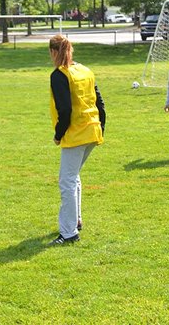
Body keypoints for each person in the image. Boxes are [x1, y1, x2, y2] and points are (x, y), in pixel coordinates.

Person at [48, 34, 106, 245]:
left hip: (76, 134)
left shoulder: (59, 75)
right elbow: (100, 102)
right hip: (92, 130)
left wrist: (58, 134)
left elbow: (65, 110)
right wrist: (101, 128)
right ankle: (76, 220)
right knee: (73, 177)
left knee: (67, 181)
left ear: (53, 52)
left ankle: (68, 232)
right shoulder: (85, 70)